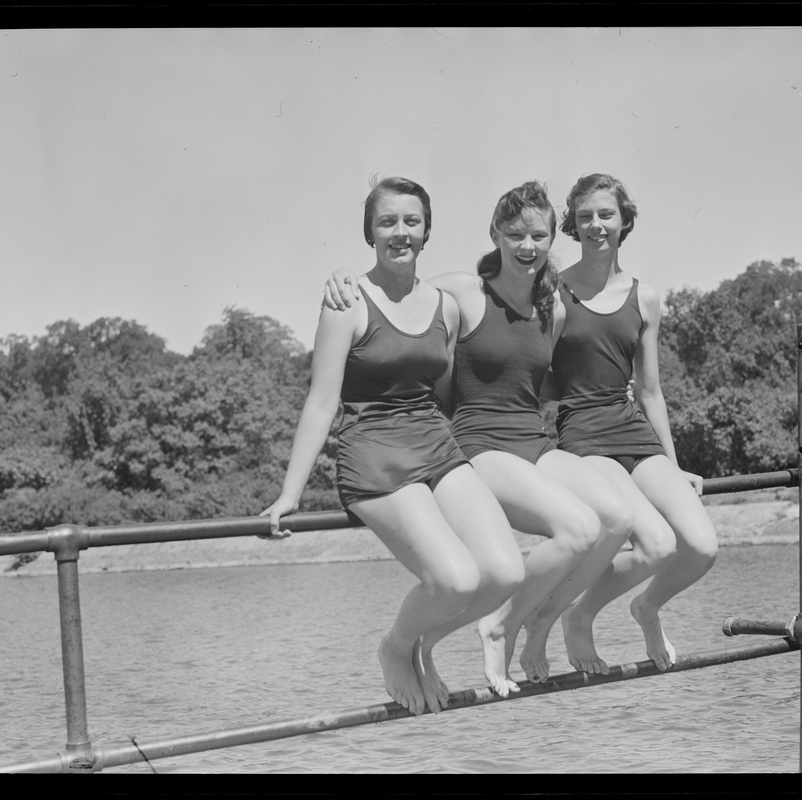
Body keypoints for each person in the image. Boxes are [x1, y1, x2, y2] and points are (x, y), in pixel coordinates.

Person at [325, 181, 635, 696]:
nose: (526, 246)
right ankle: (501, 625)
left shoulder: (551, 309)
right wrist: (340, 277)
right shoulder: (461, 290)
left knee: (617, 518)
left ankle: (541, 623)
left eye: (538, 235)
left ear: (552, 238)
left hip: (532, 439)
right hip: (478, 442)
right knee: (576, 528)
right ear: (494, 233)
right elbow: (399, 288)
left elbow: (538, 379)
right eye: (514, 234)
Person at [262, 177, 524, 717]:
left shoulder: (446, 308)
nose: (400, 232)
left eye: (411, 221)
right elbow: (320, 401)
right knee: (454, 579)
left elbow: (445, 394)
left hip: (435, 445)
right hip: (374, 454)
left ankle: (423, 642)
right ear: (370, 232)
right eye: (387, 222)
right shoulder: (347, 302)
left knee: (505, 573)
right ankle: (395, 647)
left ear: (427, 231)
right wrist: (290, 493)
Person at [529, 172, 719, 675]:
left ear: (624, 220)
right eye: (585, 216)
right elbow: (534, 376)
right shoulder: (553, 291)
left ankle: (647, 607)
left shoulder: (645, 296)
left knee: (701, 547)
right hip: (583, 437)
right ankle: (580, 615)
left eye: (606, 214)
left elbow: (651, 391)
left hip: (632, 428)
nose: (596, 225)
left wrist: (675, 467)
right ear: (572, 223)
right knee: (656, 544)